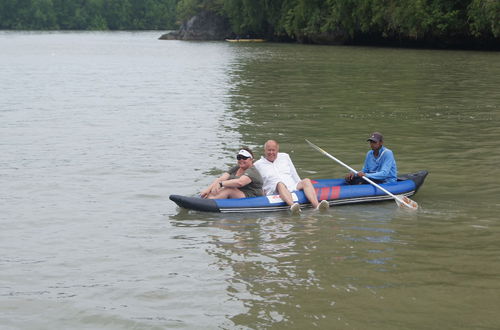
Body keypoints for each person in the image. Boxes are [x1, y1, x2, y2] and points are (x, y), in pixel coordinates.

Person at [254, 140, 329, 213]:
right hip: (274, 189)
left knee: (306, 180)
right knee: (280, 183)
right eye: (269, 150)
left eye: (273, 150)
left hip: (292, 186)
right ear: (265, 150)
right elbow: (257, 182)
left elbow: (294, 173)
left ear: (277, 150)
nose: (271, 152)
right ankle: (293, 206)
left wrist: (301, 185)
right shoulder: (258, 165)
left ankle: (316, 206)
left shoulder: (285, 157)